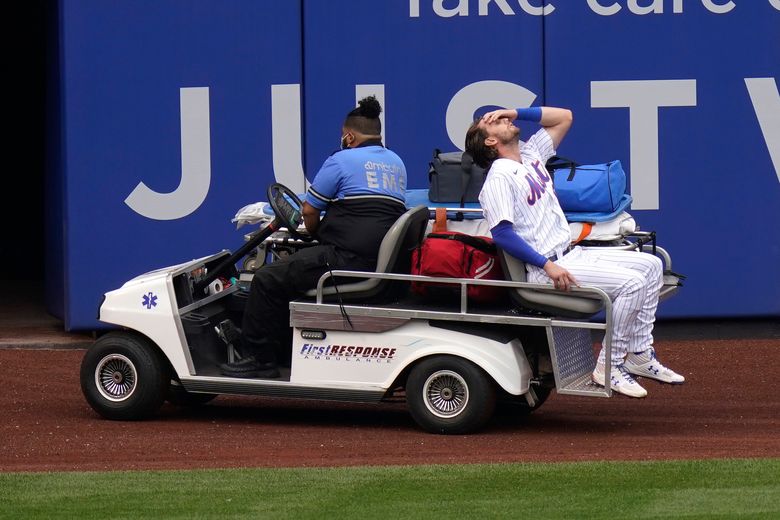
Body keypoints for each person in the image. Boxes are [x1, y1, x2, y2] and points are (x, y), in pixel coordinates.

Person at [464, 105, 684, 398]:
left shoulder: (530, 155)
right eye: (490, 122)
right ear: (490, 142)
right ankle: (610, 366)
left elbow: (565, 116)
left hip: (570, 253)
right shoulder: (498, 179)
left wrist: (514, 112)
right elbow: (502, 234)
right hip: (546, 270)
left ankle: (639, 353)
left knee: (652, 266)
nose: (500, 119)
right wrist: (548, 266)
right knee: (633, 284)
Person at [219, 96, 407, 378]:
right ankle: (281, 348)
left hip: (347, 260)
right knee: (292, 271)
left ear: (348, 135)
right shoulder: (396, 161)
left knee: (267, 277)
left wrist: (316, 233)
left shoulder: (340, 160)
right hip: (379, 262)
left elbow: (308, 211)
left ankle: (259, 359)